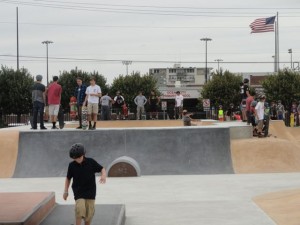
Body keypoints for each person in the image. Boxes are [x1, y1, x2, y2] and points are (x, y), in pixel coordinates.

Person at [63, 143, 106, 225]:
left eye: (79, 157)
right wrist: (66, 191)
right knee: (80, 209)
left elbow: (102, 168)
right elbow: (68, 178)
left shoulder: (91, 162)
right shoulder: (71, 165)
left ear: (83, 154)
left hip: (90, 192)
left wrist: (103, 175)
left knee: (89, 214)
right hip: (79, 191)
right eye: (75, 158)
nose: (78, 160)